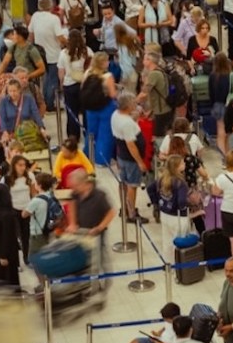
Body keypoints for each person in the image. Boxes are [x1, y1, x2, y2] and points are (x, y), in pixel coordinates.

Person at [111, 92, 150, 224]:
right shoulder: (126, 123)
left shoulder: (116, 115)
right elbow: (131, 145)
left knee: (123, 182)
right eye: (133, 102)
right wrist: (140, 162)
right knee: (132, 185)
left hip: (121, 155)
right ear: (127, 106)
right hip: (130, 159)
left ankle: (125, 207)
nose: (135, 104)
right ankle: (131, 213)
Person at [81, 52, 118, 166]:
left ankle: (87, 154)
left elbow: (82, 87)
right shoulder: (108, 76)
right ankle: (101, 159)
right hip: (106, 107)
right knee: (105, 133)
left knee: (91, 132)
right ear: (103, 63)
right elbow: (112, 94)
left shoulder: (88, 72)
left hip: (90, 108)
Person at [149, 155, 191, 253]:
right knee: (179, 244)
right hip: (178, 217)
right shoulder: (180, 183)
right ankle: (179, 266)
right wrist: (187, 205)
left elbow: (150, 188)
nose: (184, 164)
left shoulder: (162, 178)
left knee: (167, 242)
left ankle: (168, 264)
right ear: (177, 167)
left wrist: (156, 202)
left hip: (165, 213)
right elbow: (181, 201)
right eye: (182, 163)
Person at [58, 30, 93, 140]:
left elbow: (61, 72)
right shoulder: (87, 51)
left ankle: (73, 135)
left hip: (69, 85)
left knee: (72, 113)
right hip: (85, 84)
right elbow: (92, 68)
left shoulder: (63, 53)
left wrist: (61, 84)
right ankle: (88, 134)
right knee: (86, 111)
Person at [0, 79, 47, 146]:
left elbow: (36, 114)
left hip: (27, 133)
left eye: (14, 91)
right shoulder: (4, 102)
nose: (12, 93)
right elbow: (2, 118)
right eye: (10, 91)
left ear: (19, 90)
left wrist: (41, 127)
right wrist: (5, 132)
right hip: (11, 134)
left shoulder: (29, 99)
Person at [137, 52, 174, 137]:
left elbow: (144, 93)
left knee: (158, 137)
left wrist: (131, 103)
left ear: (150, 61)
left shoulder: (154, 74)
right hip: (166, 108)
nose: (143, 61)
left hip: (161, 111)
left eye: (145, 59)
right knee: (166, 134)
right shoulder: (159, 70)